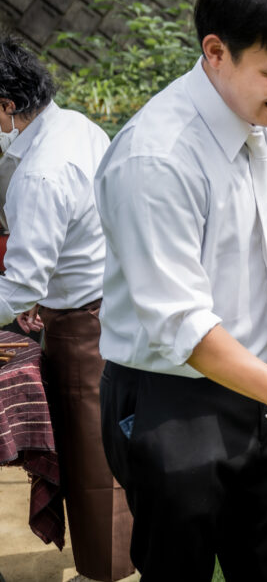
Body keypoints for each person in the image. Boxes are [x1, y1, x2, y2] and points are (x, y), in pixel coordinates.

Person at [95, 0, 267, 581]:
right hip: (171, 399)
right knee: (176, 568)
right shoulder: (155, 158)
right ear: (215, 51)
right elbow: (181, 325)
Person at [0, 35, 133, 581]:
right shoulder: (75, 124)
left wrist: (32, 297)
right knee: (108, 448)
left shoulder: (39, 172)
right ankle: (118, 563)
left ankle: (104, 573)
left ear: (7, 107)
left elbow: (21, 281)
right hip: (102, 302)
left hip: (84, 325)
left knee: (90, 457)